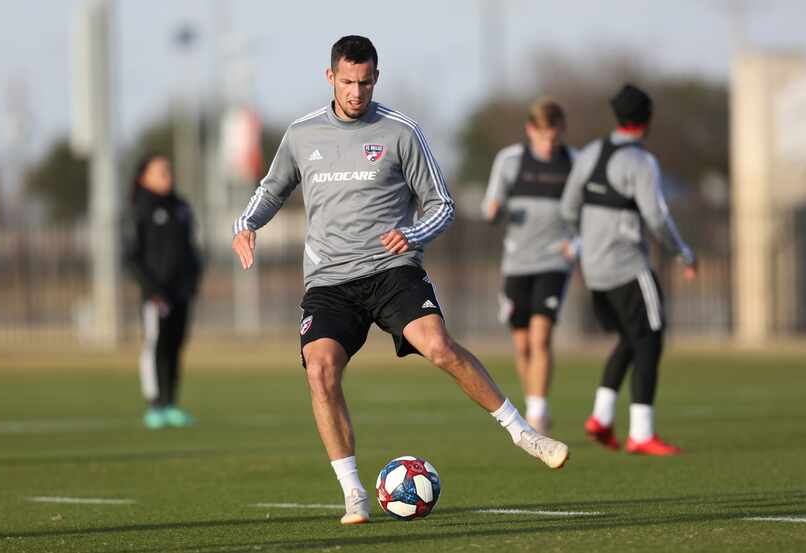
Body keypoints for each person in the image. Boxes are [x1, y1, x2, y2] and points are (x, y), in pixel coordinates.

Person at [232, 35, 569, 525]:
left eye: (365, 82)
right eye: (347, 81)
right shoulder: (302, 134)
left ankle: (524, 433)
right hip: (329, 282)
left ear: (376, 78)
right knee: (320, 370)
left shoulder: (400, 131)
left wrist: (411, 234)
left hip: (393, 272)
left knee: (438, 347)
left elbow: (443, 205)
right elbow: (272, 188)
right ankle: (354, 494)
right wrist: (246, 226)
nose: (355, 92)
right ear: (330, 77)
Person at [560, 83, 697, 456]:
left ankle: (602, 417)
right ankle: (642, 432)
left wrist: (583, 240)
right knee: (651, 337)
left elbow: (569, 206)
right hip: (629, 266)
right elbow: (657, 216)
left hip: (595, 270)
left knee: (629, 338)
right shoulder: (641, 161)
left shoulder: (590, 154)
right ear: (646, 119)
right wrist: (683, 252)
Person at [482, 98, 578, 434]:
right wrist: (495, 210)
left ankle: (537, 413)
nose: (549, 145)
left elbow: (585, 215)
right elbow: (490, 205)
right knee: (522, 343)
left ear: (562, 131)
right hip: (516, 261)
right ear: (530, 131)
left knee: (541, 337)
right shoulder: (510, 161)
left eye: (554, 137)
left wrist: (575, 244)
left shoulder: (573, 163)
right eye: (543, 138)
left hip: (554, 261)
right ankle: (531, 399)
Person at [123, 153, 202, 430]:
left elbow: (191, 249)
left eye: (169, 170)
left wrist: (193, 281)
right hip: (156, 295)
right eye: (160, 171)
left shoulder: (181, 207)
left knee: (175, 347)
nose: (167, 175)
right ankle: (155, 405)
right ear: (144, 177)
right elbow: (131, 257)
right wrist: (152, 289)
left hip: (181, 293)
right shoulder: (139, 209)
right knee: (155, 346)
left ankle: (171, 404)